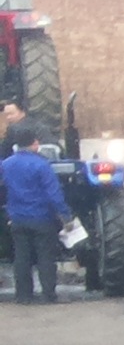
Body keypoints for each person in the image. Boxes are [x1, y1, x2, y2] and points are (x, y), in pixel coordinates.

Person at [3, 123, 64, 304]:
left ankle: (23, 296)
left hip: (17, 219)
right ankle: (48, 295)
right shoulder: (42, 165)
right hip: (41, 219)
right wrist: (65, 215)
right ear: (35, 143)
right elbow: (54, 193)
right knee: (45, 257)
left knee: (21, 258)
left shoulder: (7, 164)